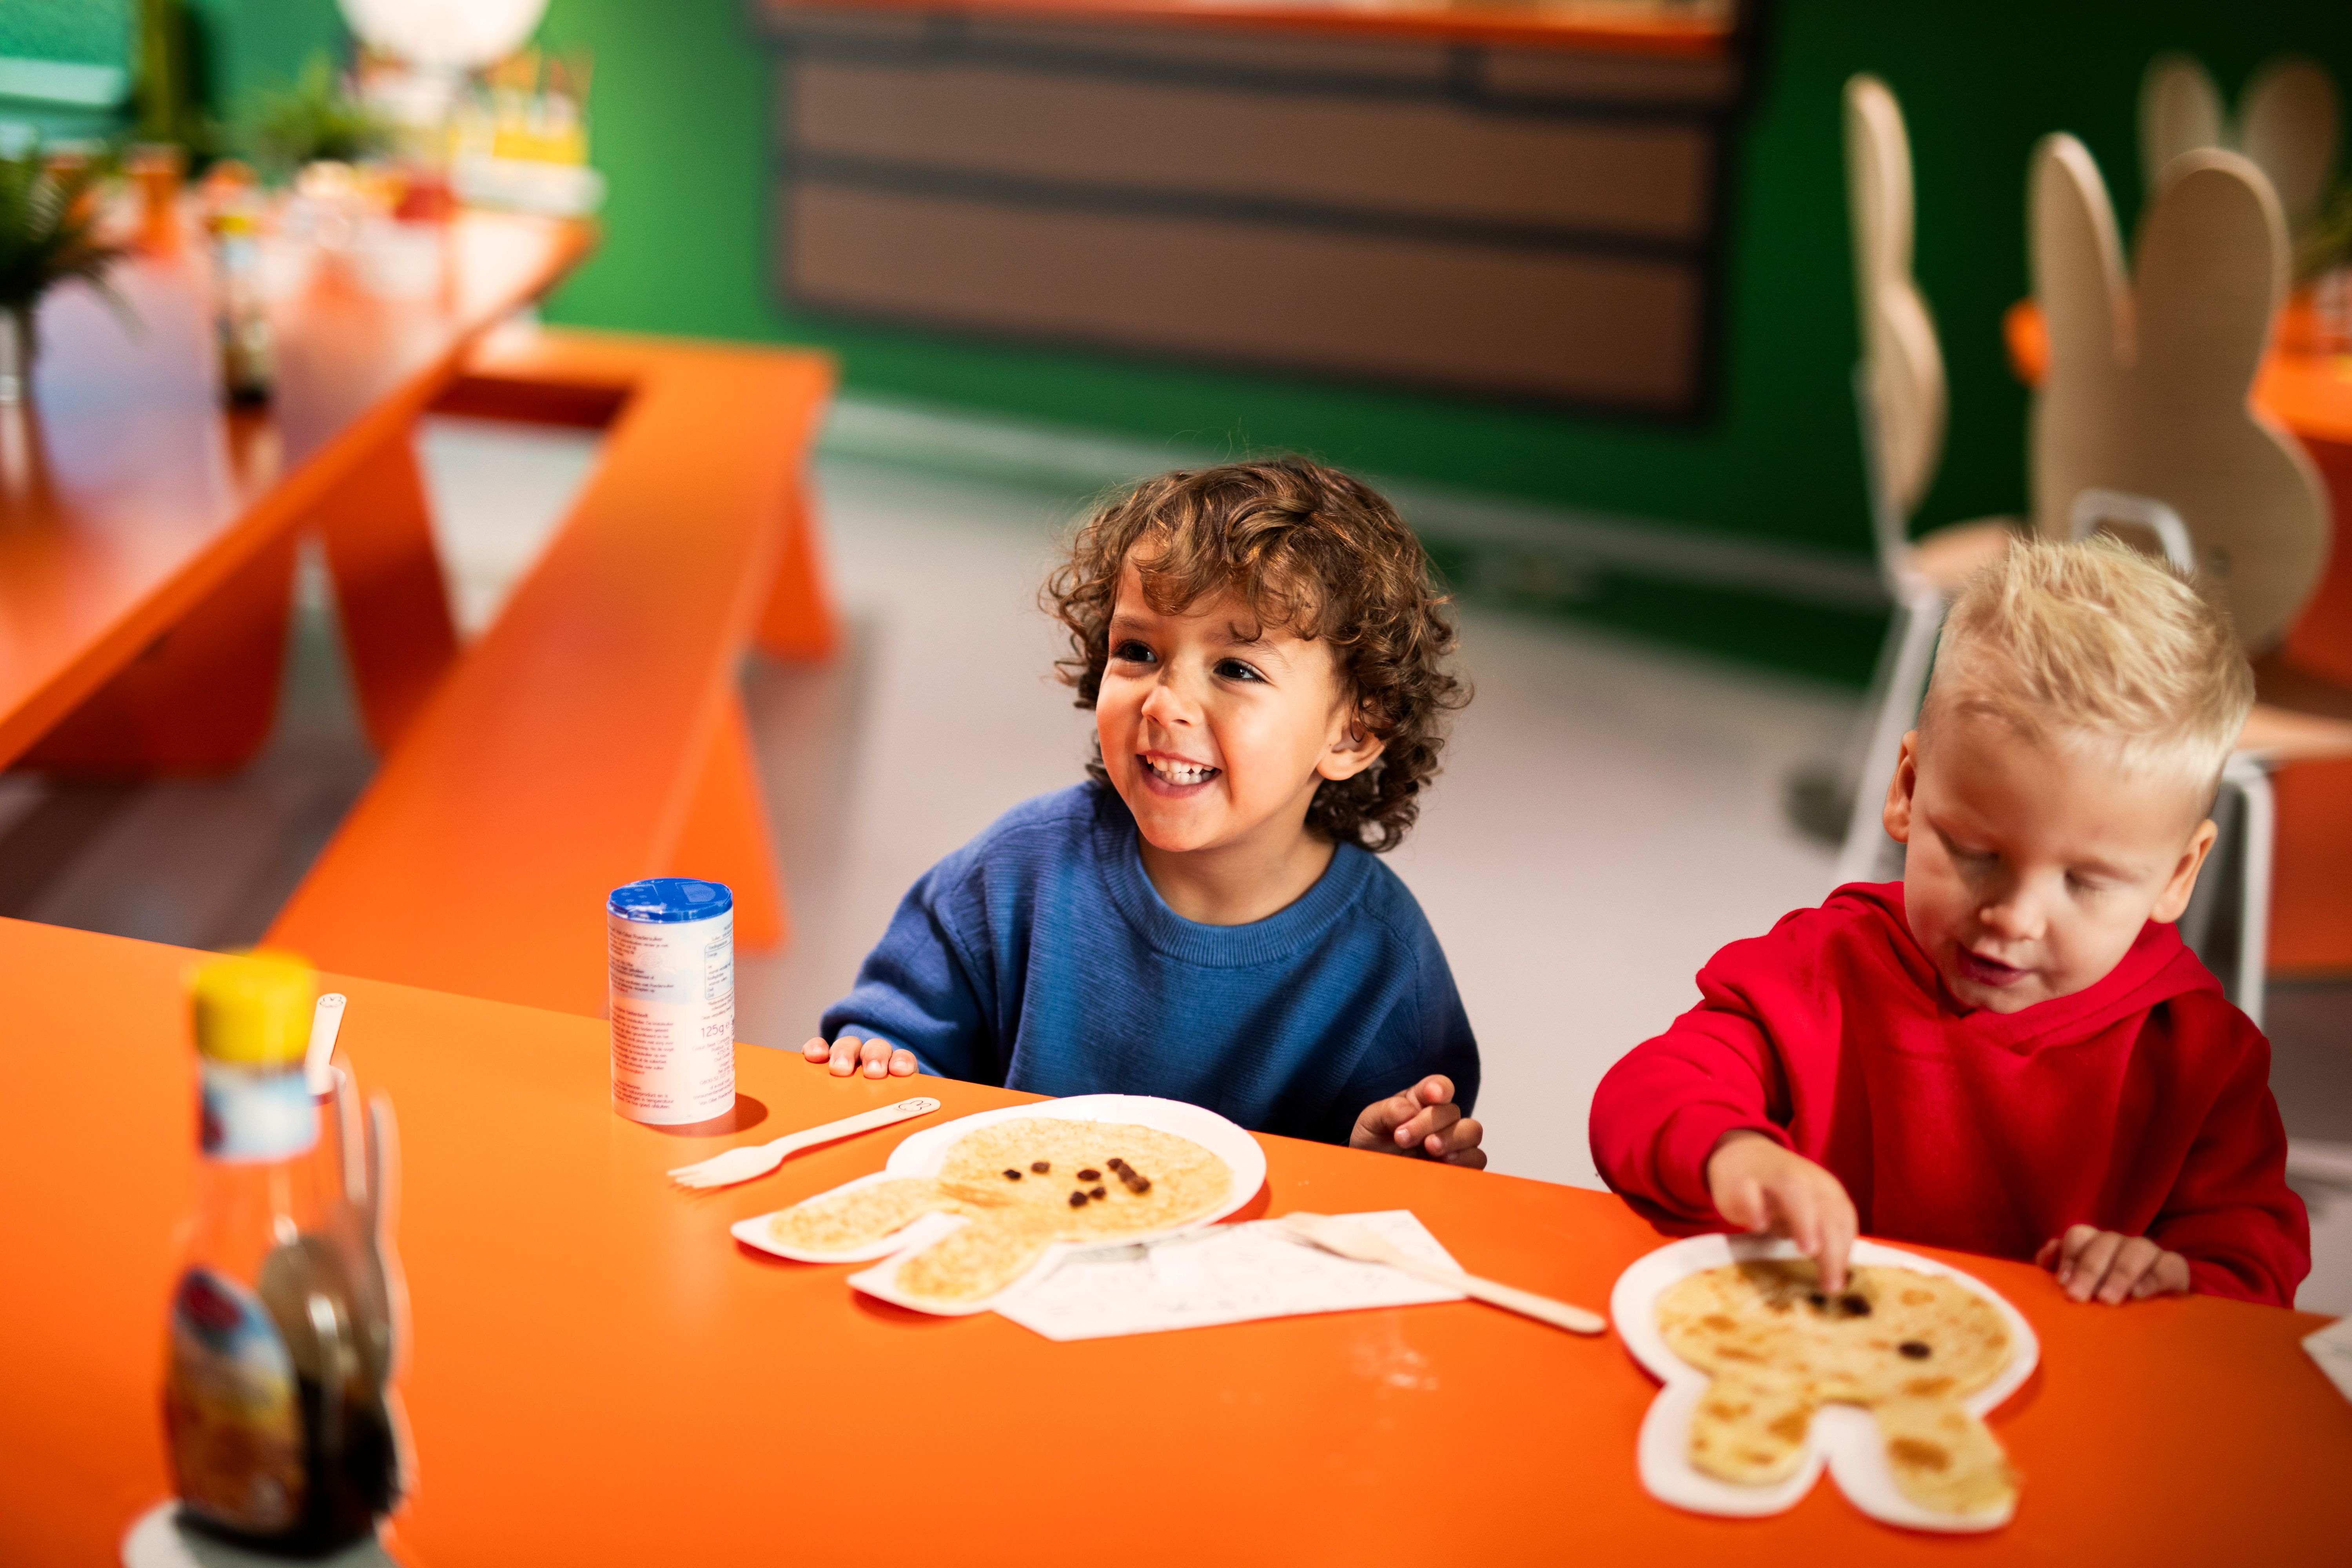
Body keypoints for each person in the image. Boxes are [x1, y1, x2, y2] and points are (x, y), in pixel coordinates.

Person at [1589, 535, 2308, 1306]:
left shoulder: (2201, 1055)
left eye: (2087, 881)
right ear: (1907, 787)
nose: (2015, 916)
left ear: (2179, 874)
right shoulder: (1822, 966)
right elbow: (1645, 1092)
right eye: (1975, 851)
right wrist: (1735, 1153)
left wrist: (2177, 1276)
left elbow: (2253, 1264)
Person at [804, 457, 1485, 1165]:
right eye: (1138, 652)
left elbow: (1399, 1164)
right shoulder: (1018, 871)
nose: (1163, 702)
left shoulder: (1382, 961)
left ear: (1352, 733)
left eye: (1236, 668)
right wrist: (879, 1056)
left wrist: (1395, 1153)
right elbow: (897, 1040)